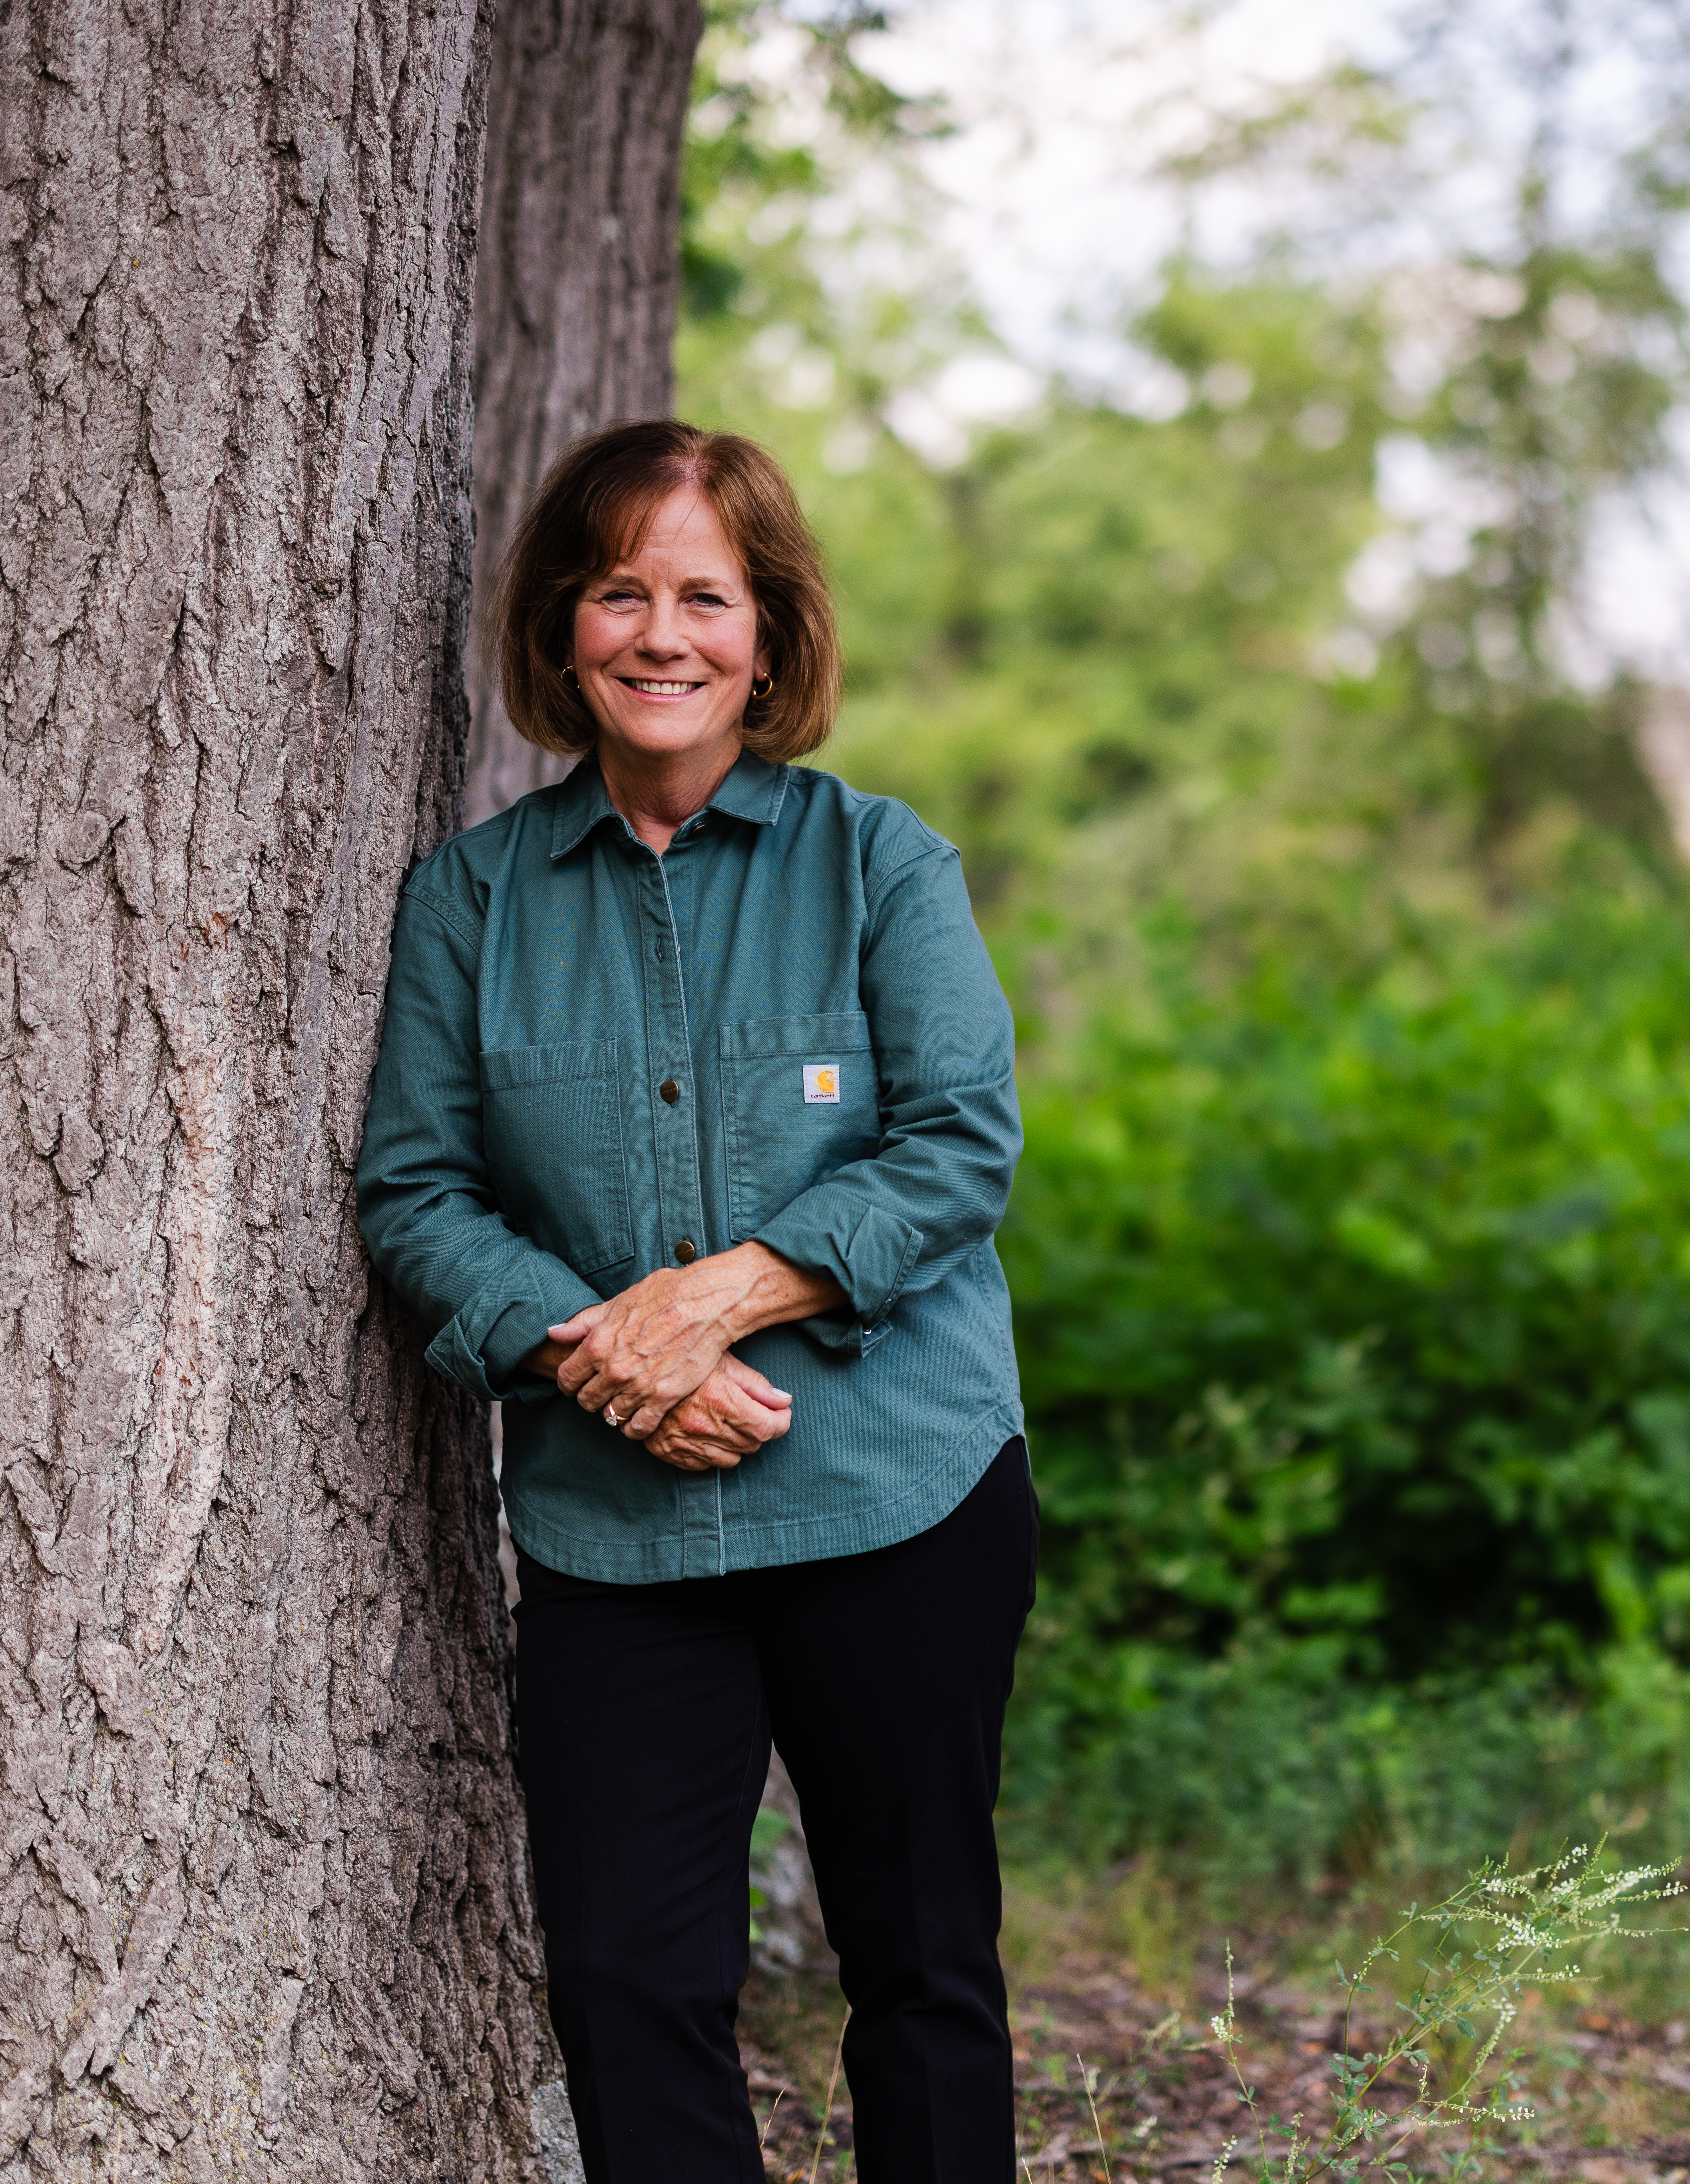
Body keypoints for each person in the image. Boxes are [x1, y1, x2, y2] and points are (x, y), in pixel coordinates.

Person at [356, 420, 1031, 2182]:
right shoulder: (471, 900)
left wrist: (715, 1300)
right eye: (618, 591)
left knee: (920, 1966)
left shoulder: (880, 865)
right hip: (615, 1533)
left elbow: (959, 1145)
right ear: (562, 628)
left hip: (899, 1491)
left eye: (705, 596)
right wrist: (610, 1362)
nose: (662, 635)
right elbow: (417, 1194)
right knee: (622, 1978)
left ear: (772, 632)